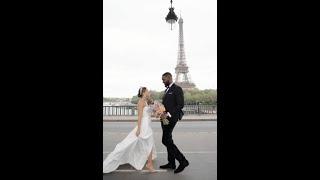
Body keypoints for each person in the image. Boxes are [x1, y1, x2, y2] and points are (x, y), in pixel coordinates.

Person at [103, 87, 157, 173]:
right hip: (144, 126)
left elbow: (149, 114)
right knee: (137, 143)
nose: (148, 92)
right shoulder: (141, 102)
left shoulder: (147, 102)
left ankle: (149, 163)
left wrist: (158, 113)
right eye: (147, 91)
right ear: (143, 93)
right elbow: (139, 116)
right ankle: (149, 164)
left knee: (149, 143)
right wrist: (138, 129)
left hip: (147, 125)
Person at [159, 72, 189, 173]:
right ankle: (171, 163)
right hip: (164, 118)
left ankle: (183, 161)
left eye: (164, 79)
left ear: (169, 78)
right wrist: (160, 110)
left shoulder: (177, 89)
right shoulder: (167, 90)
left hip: (171, 119)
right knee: (169, 140)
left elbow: (180, 105)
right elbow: (166, 104)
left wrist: (168, 114)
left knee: (165, 140)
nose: (162, 81)